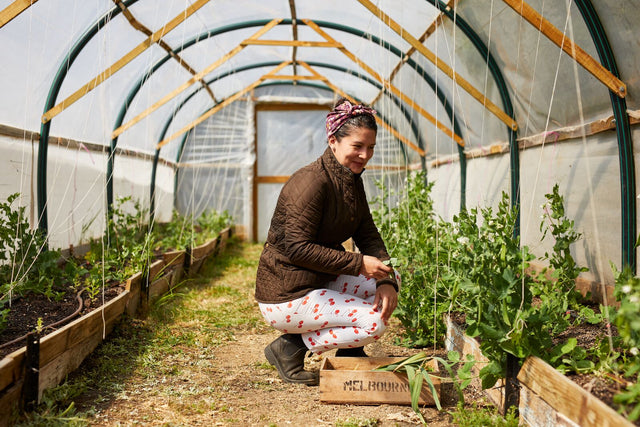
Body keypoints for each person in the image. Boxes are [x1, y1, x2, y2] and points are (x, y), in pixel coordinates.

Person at [254, 98, 400, 386]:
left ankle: (350, 351)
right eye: (357, 146)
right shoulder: (310, 183)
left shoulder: (350, 179)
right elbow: (297, 247)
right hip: (288, 293)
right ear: (333, 140)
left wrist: (386, 279)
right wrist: (358, 263)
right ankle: (289, 348)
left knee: (387, 279)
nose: (365, 155)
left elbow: (367, 233)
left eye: (370, 147)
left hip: (319, 281)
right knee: (373, 322)